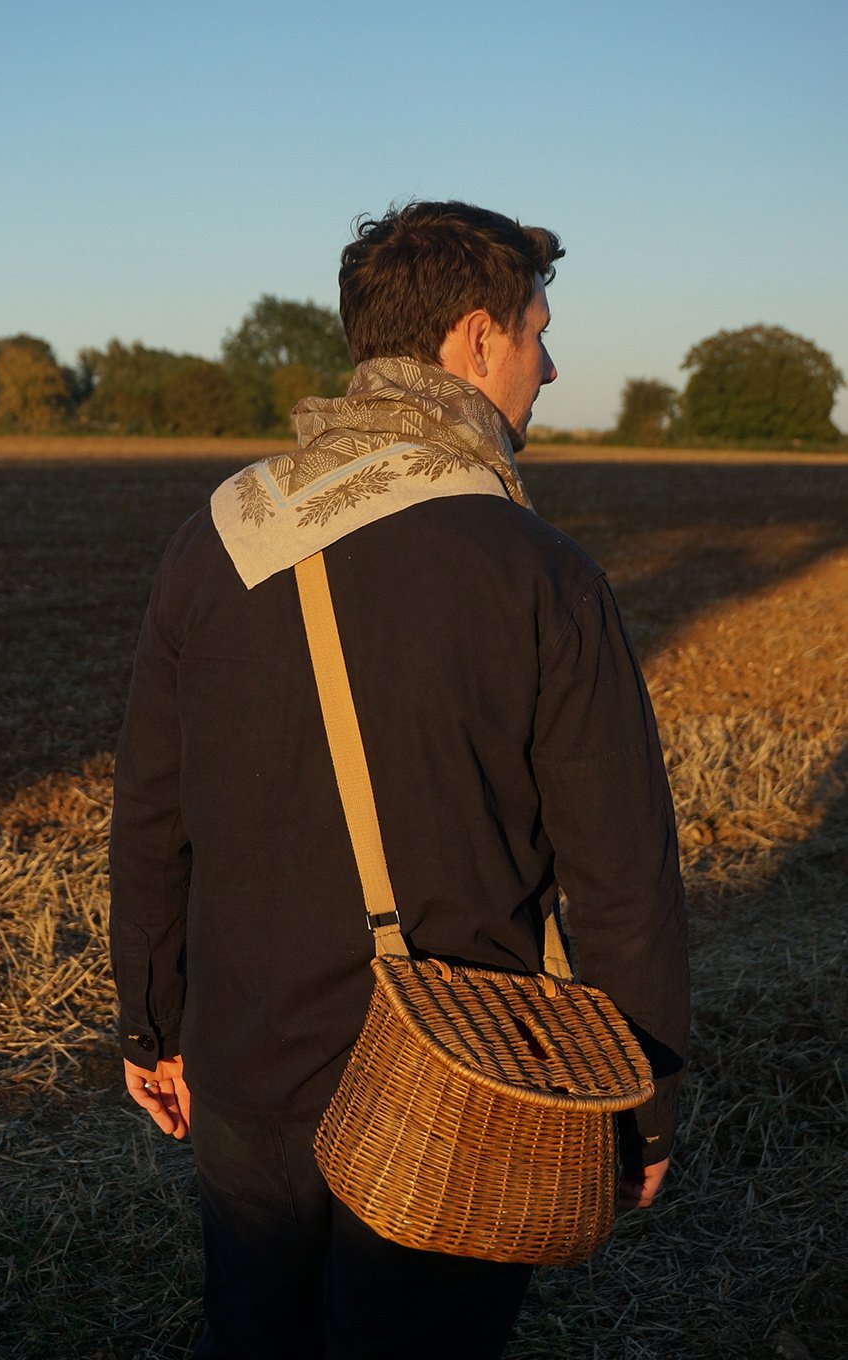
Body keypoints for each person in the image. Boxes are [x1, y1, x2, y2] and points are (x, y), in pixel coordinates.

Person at [110, 200, 689, 1359]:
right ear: (475, 339)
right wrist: (644, 1103)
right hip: (462, 1083)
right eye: (538, 329)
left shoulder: (217, 534)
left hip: (247, 1063)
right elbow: (620, 872)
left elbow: (153, 812)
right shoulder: (538, 569)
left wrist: (151, 1022)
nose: (551, 365)